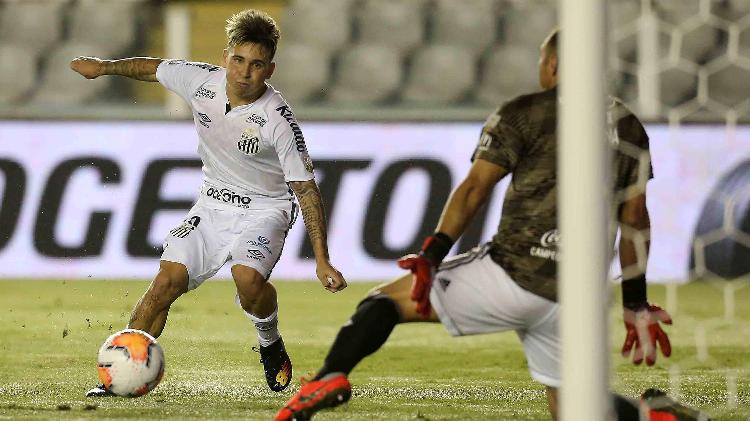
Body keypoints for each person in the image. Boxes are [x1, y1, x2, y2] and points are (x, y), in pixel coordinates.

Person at [275, 29, 711, 421]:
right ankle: (653, 417)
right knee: (573, 407)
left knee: (382, 304)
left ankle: (329, 377)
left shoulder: (523, 112)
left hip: (512, 274)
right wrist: (636, 302)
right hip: (577, 297)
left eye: (543, 60)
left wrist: (431, 255)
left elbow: (473, 190)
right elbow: (634, 218)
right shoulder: (628, 125)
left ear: (554, 65)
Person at [70, 9, 347, 397]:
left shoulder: (278, 120)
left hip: (266, 209)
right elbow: (152, 68)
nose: (244, 72)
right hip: (212, 204)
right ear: (225, 57)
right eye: (238, 60)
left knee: (247, 281)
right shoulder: (202, 82)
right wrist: (102, 68)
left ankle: (268, 339)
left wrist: (322, 259)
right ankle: (117, 379)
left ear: (270, 70)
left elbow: (306, 189)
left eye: (256, 65)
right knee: (165, 282)